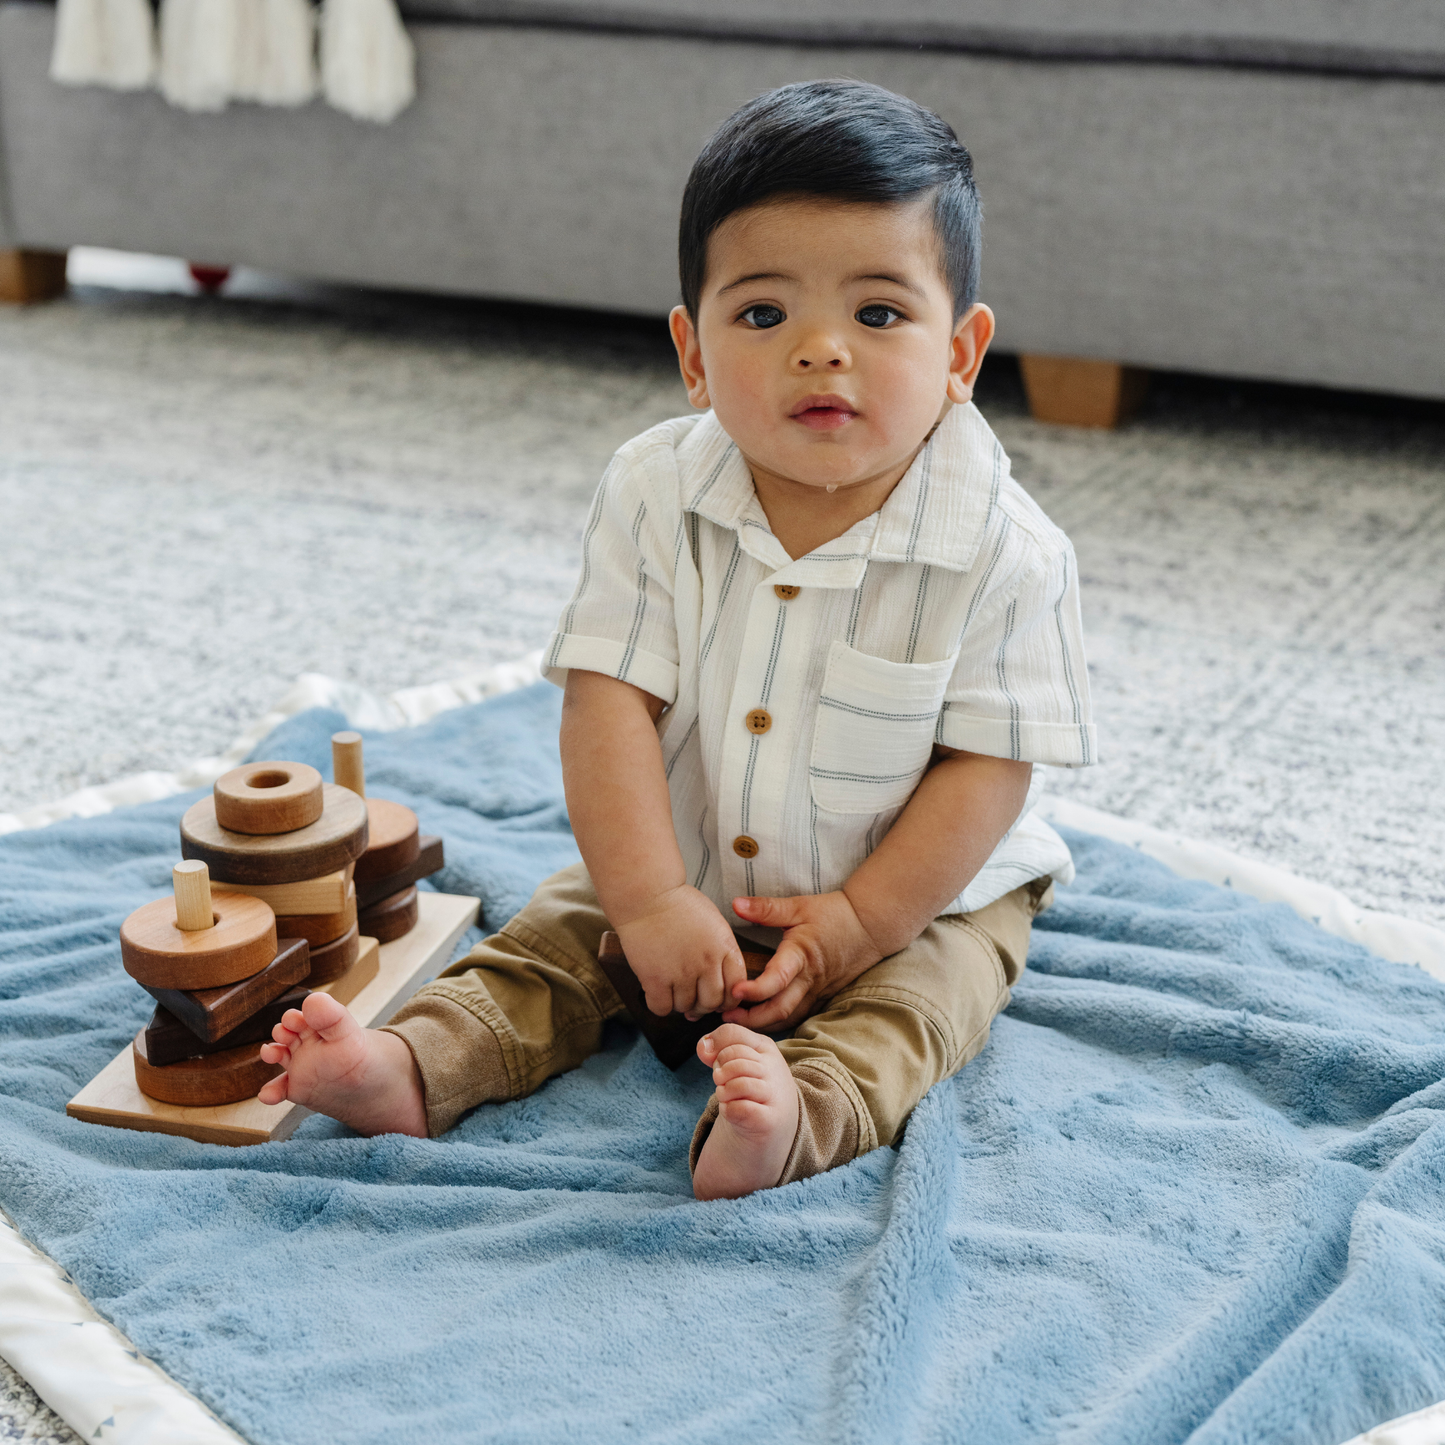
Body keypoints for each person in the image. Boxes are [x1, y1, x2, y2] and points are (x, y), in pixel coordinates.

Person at [258, 78, 1096, 1200]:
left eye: (878, 313)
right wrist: (651, 900)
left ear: (960, 351)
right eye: (761, 314)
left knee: (920, 1008)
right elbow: (606, 701)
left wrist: (854, 924)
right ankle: (412, 1063)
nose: (819, 351)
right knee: (554, 940)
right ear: (691, 352)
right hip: (691, 846)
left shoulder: (1008, 552)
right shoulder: (654, 489)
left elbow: (987, 769)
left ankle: (793, 1116)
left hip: (923, 890)